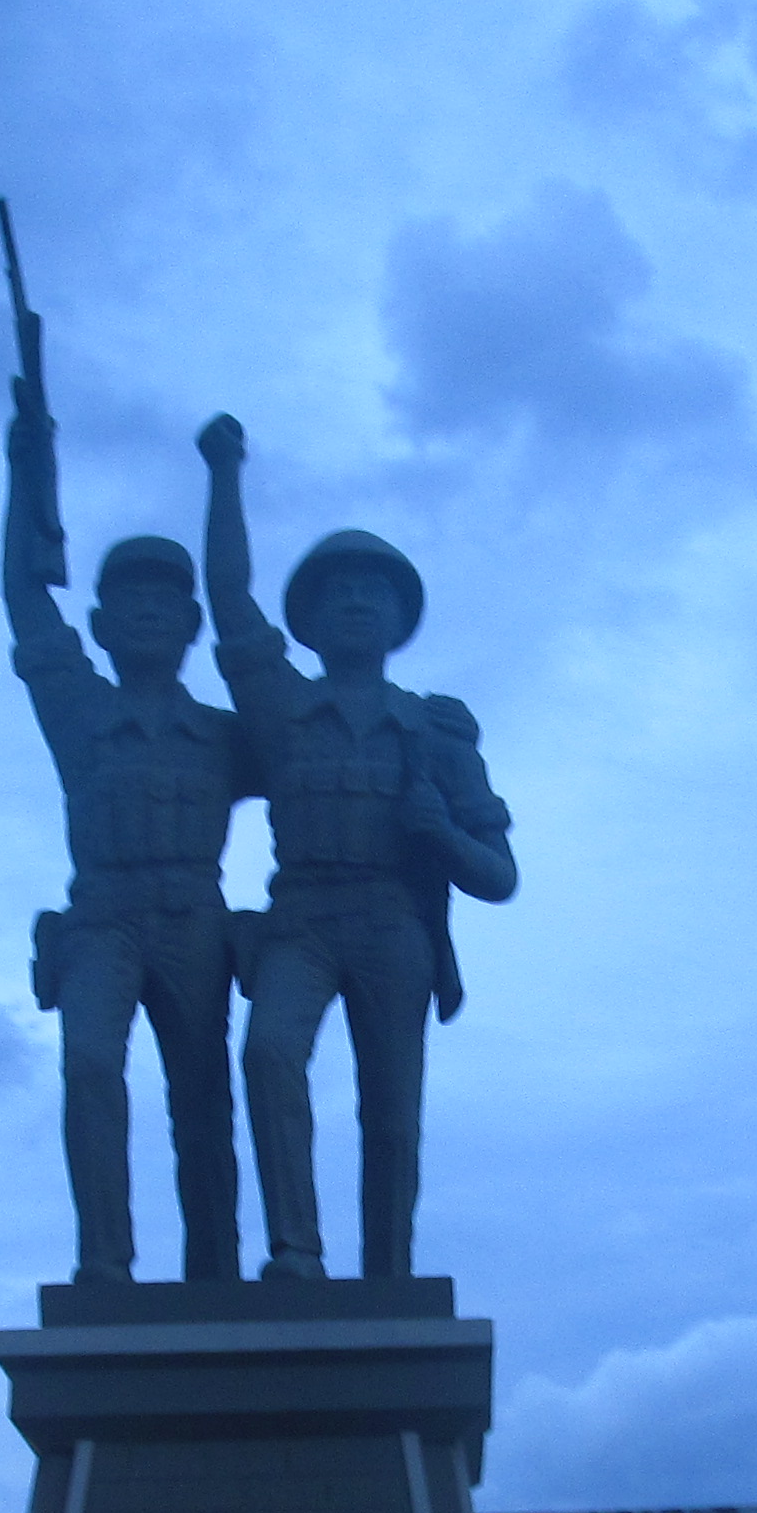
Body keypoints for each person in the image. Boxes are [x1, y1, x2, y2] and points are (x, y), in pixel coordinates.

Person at [196, 413, 516, 1281]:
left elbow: (500, 877)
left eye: (374, 591)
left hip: (392, 925)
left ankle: (390, 1274)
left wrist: (441, 832)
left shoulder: (436, 733)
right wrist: (223, 472)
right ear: (311, 615)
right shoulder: (281, 707)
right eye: (339, 590)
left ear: (400, 615)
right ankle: (296, 1251)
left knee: (393, 1116)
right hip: (300, 918)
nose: (356, 602)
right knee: (268, 1055)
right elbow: (227, 598)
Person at [1, 370, 244, 1283]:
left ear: (190, 626)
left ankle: (214, 1272)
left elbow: (305, 783)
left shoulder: (226, 736)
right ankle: (104, 1262)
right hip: (100, 919)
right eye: (127, 606)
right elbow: (25, 601)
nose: (146, 616)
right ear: (100, 627)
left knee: (203, 1102)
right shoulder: (79, 714)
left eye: (165, 606)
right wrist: (27, 469)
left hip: (195, 922)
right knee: (92, 1069)